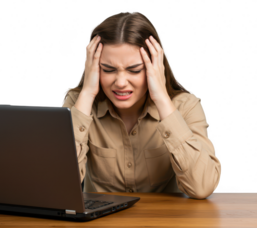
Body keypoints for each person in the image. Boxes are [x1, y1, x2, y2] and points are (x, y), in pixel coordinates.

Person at [62, 11, 222, 199]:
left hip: (166, 225)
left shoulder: (186, 106)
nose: (121, 82)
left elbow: (202, 187)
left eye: (134, 70)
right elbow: (59, 186)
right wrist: (87, 92)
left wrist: (162, 98)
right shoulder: (78, 104)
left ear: (155, 67)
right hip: (101, 226)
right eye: (108, 69)